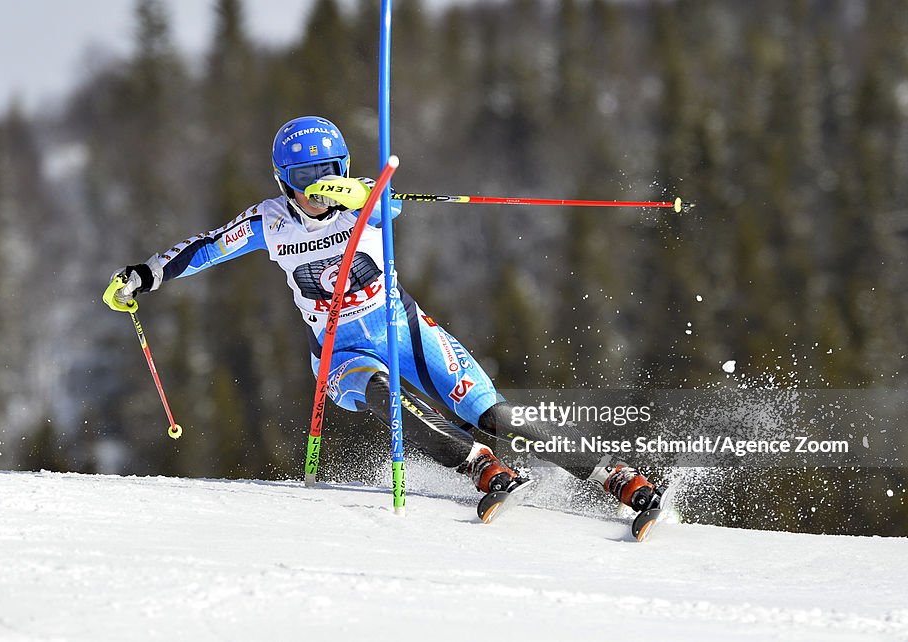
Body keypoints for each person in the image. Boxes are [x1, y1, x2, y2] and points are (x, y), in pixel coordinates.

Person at [103, 115, 662, 513]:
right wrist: (143, 276)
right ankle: (477, 466)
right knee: (387, 403)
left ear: (341, 169)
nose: (314, 193)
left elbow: (388, 201)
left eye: (326, 174)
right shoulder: (271, 220)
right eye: (302, 181)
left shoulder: (362, 199)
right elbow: (203, 248)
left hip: (404, 329)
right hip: (340, 353)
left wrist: (355, 193)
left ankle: (610, 474)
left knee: (498, 416)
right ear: (283, 183)